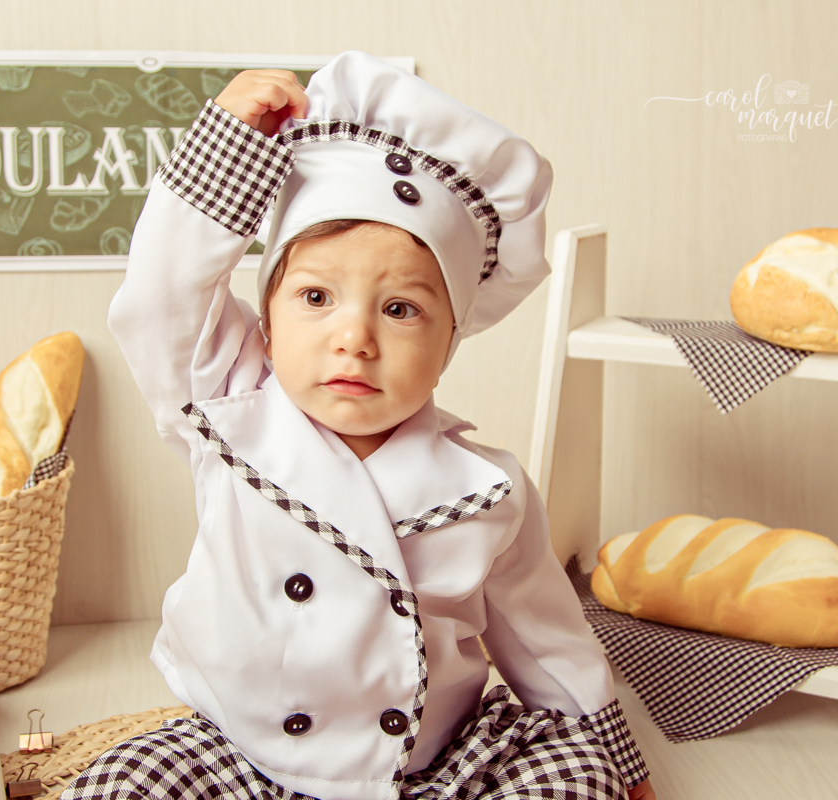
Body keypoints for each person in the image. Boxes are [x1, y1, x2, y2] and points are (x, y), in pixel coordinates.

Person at [67, 51, 656, 800]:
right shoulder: (224, 406)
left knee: (575, 779)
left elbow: (546, 639)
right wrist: (224, 155)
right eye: (316, 298)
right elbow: (158, 300)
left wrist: (619, 762)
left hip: (432, 762)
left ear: (449, 344)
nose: (355, 338)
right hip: (240, 753)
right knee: (120, 784)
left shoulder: (489, 489)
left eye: (401, 309)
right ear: (266, 323)